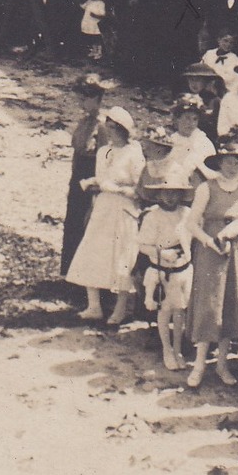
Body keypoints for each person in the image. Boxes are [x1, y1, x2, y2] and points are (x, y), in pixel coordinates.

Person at [184, 145, 238, 388]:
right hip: (210, 250)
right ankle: (199, 364)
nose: (232, 166)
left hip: (235, 249)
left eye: (237, 163)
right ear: (219, 163)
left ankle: (222, 363)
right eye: (228, 161)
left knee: (231, 302)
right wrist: (208, 241)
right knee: (209, 303)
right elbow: (192, 223)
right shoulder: (207, 188)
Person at [66, 107, 145, 325]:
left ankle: (120, 309)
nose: (110, 133)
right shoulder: (104, 152)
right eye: (108, 128)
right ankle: (94, 306)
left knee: (122, 258)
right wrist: (99, 185)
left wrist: (118, 189)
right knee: (93, 251)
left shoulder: (134, 152)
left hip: (124, 207)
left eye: (115, 129)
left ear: (124, 130)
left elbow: (139, 187)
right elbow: (102, 178)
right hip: (103, 206)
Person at [138, 177, 197, 370]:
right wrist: (161, 252)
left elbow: (194, 235)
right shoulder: (152, 216)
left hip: (183, 269)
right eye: (166, 192)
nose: (170, 197)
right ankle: (167, 349)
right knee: (165, 311)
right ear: (158, 194)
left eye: (175, 192)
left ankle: (178, 348)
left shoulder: (187, 213)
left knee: (180, 311)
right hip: (163, 270)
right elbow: (142, 245)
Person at [61, 75, 110, 278]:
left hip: (92, 176)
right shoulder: (84, 122)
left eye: (84, 99)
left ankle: (85, 275)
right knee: (73, 221)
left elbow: (105, 157)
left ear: (96, 98)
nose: (80, 104)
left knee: (87, 223)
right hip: (78, 176)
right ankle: (70, 272)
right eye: (79, 99)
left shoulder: (104, 125)